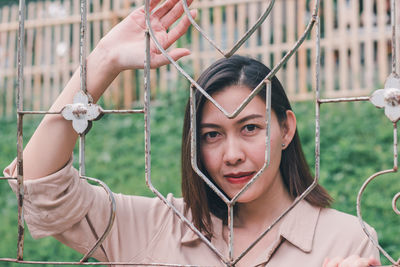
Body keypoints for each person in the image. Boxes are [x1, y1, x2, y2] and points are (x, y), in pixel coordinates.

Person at [4, 0, 381, 266]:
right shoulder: (156, 227)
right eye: (212, 135)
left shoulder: (346, 239)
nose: (231, 154)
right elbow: (39, 186)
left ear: (286, 129)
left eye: (249, 128)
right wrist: (102, 61)